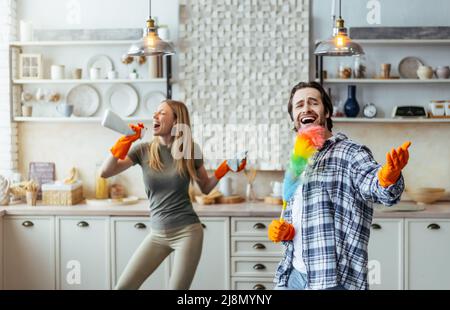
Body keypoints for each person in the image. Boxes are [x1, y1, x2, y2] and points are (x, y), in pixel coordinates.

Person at [268, 81, 411, 290]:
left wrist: (388, 176)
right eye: (299, 105)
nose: (305, 108)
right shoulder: (297, 161)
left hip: (333, 279)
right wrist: (287, 232)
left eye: (313, 102)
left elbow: (375, 187)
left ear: (326, 112)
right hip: (293, 275)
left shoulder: (351, 153)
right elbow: (299, 214)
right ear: (293, 118)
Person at [101, 100, 245, 290]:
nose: (154, 116)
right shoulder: (143, 150)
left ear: (176, 121)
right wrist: (124, 143)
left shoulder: (190, 150)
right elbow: (105, 172)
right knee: (123, 287)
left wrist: (225, 167)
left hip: (188, 232)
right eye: (155, 112)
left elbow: (206, 188)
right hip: (157, 234)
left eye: (161, 113)